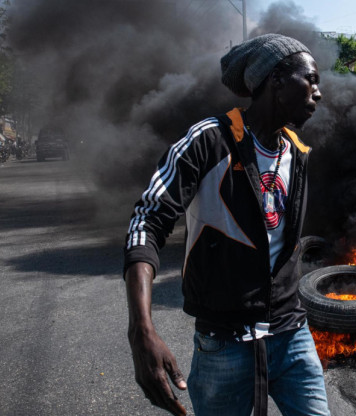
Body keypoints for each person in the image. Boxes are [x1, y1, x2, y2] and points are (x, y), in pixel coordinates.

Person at [123, 34, 327, 416]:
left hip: (292, 335)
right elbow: (147, 223)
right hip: (225, 345)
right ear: (276, 81)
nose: (318, 92)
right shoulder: (209, 141)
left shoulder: (297, 152)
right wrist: (141, 330)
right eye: (311, 79)